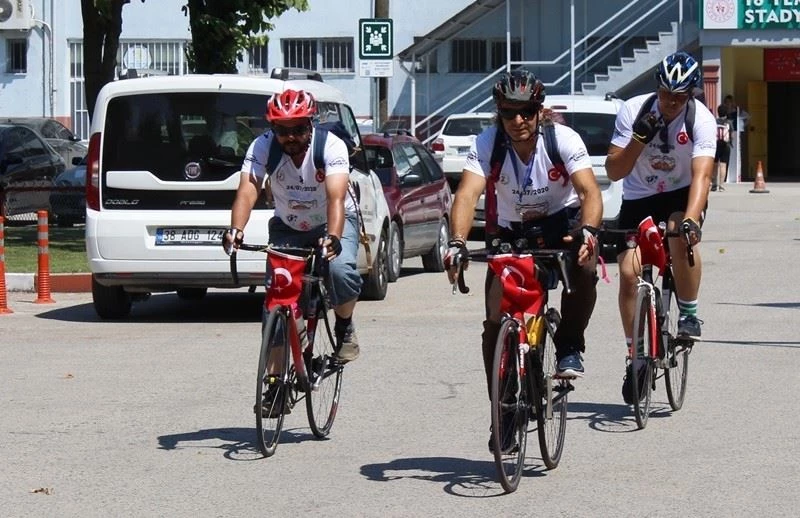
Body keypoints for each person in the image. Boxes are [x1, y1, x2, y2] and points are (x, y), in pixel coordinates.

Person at [445, 69, 602, 435]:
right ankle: (503, 407)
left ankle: (568, 344)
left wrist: (590, 232)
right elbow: (467, 195)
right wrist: (457, 242)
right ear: (498, 113)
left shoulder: (562, 139)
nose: (518, 121)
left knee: (585, 264)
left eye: (526, 112)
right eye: (508, 113)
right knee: (495, 320)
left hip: (558, 226)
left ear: (539, 110)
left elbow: (590, 193)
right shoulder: (488, 143)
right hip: (510, 233)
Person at [605, 51, 716, 403]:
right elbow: (614, 172)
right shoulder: (633, 110)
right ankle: (636, 356)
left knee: (677, 232)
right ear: (657, 88)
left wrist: (691, 219)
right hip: (639, 197)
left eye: (679, 96)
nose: (670, 102)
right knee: (627, 271)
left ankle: (689, 312)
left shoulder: (701, 119)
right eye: (666, 93)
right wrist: (638, 139)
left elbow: (702, 175)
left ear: (691, 95)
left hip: (681, 195)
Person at [223, 89, 362, 364]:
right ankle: (274, 382)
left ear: (311, 124)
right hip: (288, 226)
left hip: (330, 221)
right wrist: (236, 229)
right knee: (277, 299)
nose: (290, 137)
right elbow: (248, 190)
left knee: (338, 269)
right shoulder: (262, 146)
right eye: (282, 130)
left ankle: (344, 326)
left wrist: (333, 237)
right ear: (272, 128)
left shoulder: (331, 146)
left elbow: (336, 198)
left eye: (298, 129)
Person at [712, 104, 732, 191]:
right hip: (726, 145)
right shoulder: (729, 122)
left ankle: (714, 184)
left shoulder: (714, 121)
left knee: (715, 164)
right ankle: (721, 186)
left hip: (715, 145)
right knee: (723, 164)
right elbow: (732, 134)